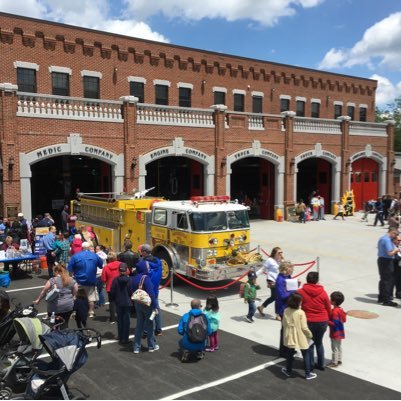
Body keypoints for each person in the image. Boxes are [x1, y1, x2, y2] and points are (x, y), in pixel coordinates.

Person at [297, 271, 332, 372]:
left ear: (307, 279)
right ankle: (321, 364)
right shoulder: (323, 292)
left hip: (308, 321)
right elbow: (328, 308)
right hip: (322, 321)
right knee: (319, 343)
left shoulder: (301, 292)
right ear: (317, 281)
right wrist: (328, 318)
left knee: (310, 343)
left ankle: (310, 365)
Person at [281, 293, 316, 380]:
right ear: (298, 302)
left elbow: (284, 324)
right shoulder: (301, 312)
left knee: (290, 353)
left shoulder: (286, 310)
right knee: (305, 353)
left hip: (290, 335)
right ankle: (308, 374)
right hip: (300, 336)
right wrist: (310, 335)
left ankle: (288, 370)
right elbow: (304, 328)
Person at [33, 263, 78, 329]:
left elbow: (44, 291)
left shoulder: (53, 280)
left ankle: (55, 336)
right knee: (65, 324)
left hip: (54, 307)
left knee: (53, 325)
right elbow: (75, 291)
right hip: (68, 306)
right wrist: (72, 297)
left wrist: (38, 300)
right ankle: (64, 336)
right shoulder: (71, 280)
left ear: (57, 271)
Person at [68, 241, 104, 319]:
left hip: (78, 280)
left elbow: (70, 269)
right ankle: (91, 312)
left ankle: (74, 311)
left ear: (82, 248)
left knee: (75, 296)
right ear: (89, 248)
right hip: (90, 280)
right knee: (91, 297)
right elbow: (101, 266)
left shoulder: (75, 256)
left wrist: (71, 277)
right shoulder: (94, 255)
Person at [132, 260, 159, 354]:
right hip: (147, 304)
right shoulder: (146, 278)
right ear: (144, 268)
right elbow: (151, 293)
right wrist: (155, 306)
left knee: (139, 325)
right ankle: (151, 346)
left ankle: (136, 347)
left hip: (138, 303)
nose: (148, 268)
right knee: (150, 325)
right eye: (147, 266)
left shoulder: (135, 278)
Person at [275, 260, 299, 357]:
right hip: (283, 308)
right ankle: (283, 351)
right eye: (291, 268)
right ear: (286, 269)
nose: (292, 270)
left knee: (288, 329)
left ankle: (288, 349)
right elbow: (282, 295)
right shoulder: (280, 280)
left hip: (288, 306)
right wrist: (293, 290)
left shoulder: (288, 277)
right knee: (285, 329)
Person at [139, 244, 163, 335]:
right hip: (155, 288)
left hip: (147, 288)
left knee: (146, 310)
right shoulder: (158, 261)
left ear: (145, 252)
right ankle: (158, 329)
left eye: (142, 251)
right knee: (156, 307)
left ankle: (146, 330)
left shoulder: (144, 263)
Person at [256, 247, 284, 320]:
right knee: (277, 297)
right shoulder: (269, 260)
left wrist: (282, 261)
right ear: (274, 253)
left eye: (281, 253)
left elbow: (284, 270)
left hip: (279, 281)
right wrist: (255, 275)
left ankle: (261, 307)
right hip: (271, 280)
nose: (280, 254)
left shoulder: (280, 261)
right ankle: (277, 315)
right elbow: (263, 269)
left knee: (274, 297)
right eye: (279, 253)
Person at [110, 264, 133, 345]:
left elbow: (112, 291)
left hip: (119, 302)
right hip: (127, 302)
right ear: (126, 270)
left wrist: (114, 299)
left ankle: (120, 336)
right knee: (126, 321)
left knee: (120, 320)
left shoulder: (115, 280)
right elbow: (131, 291)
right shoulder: (130, 280)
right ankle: (125, 338)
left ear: (119, 270)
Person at [102, 251, 126, 324]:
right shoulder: (121, 264)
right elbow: (127, 272)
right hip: (121, 286)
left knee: (112, 303)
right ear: (116, 257)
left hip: (110, 287)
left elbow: (103, 279)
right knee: (121, 302)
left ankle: (112, 319)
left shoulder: (106, 267)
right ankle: (121, 317)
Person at [377, 227, 399, 306]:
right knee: (388, 281)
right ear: (392, 232)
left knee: (383, 280)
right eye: (395, 234)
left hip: (381, 260)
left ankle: (381, 297)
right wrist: (396, 250)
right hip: (387, 261)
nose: (395, 236)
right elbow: (390, 253)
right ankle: (386, 300)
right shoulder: (387, 240)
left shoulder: (382, 238)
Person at [327, 291, 347, 368]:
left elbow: (334, 323)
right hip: (341, 332)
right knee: (339, 346)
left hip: (335, 333)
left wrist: (327, 321)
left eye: (330, 299)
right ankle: (339, 360)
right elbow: (344, 320)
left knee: (334, 347)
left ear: (334, 302)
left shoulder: (335, 312)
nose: (329, 300)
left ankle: (334, 362)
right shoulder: (340, 309)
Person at [394, 235, 401, 299]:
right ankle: (389, 295)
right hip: (395, 267)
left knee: (399, 281)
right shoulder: (393, 247)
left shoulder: (399, 247)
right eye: (398, 240)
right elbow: (394, 258)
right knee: (394, 281)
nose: (400, 242)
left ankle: (398, 294)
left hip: (400, 267)